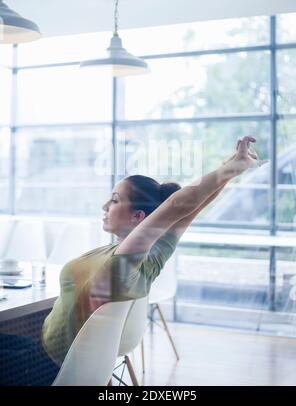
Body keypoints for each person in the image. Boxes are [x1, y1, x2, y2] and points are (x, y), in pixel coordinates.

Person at [0, 135, 264, 385]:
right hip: (43, 353)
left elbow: (176, 206)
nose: (105, 206)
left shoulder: (122, 266)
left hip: (40, 369)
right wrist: (231, 169)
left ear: (139, 217)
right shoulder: (155, 255)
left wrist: (233, 167)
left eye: (114, 200)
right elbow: (190, 209)